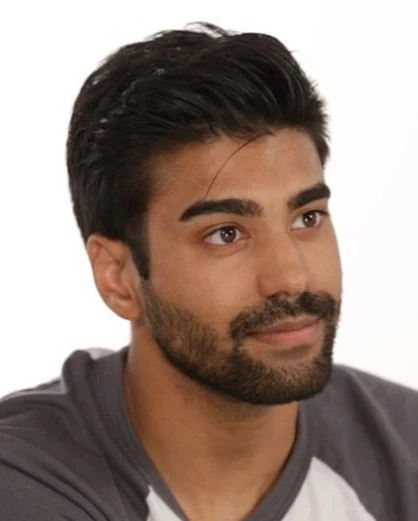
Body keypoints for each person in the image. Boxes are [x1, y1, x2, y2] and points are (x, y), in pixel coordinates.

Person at [0, 22, 417, 521]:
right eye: (226, 233)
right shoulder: (27, 479)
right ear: (118, 276)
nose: (292, 278)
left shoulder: (406, 449)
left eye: (307, 218)